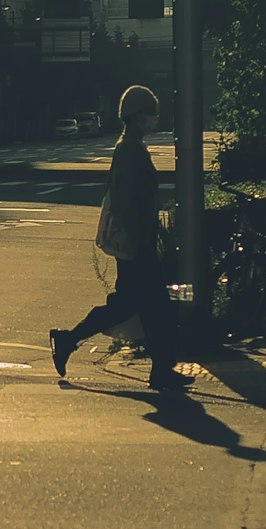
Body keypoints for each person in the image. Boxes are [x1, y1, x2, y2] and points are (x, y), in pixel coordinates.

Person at [52, 87, 191, 400]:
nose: (155, 118)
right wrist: (142, 239)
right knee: (156, 307)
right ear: (138, 115)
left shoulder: (131, 147)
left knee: (129, 306)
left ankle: (69, 340)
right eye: (151, 112)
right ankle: (161, 370)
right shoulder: (129, 150)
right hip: (137, 245)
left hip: (136, 244)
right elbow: (128, 200)